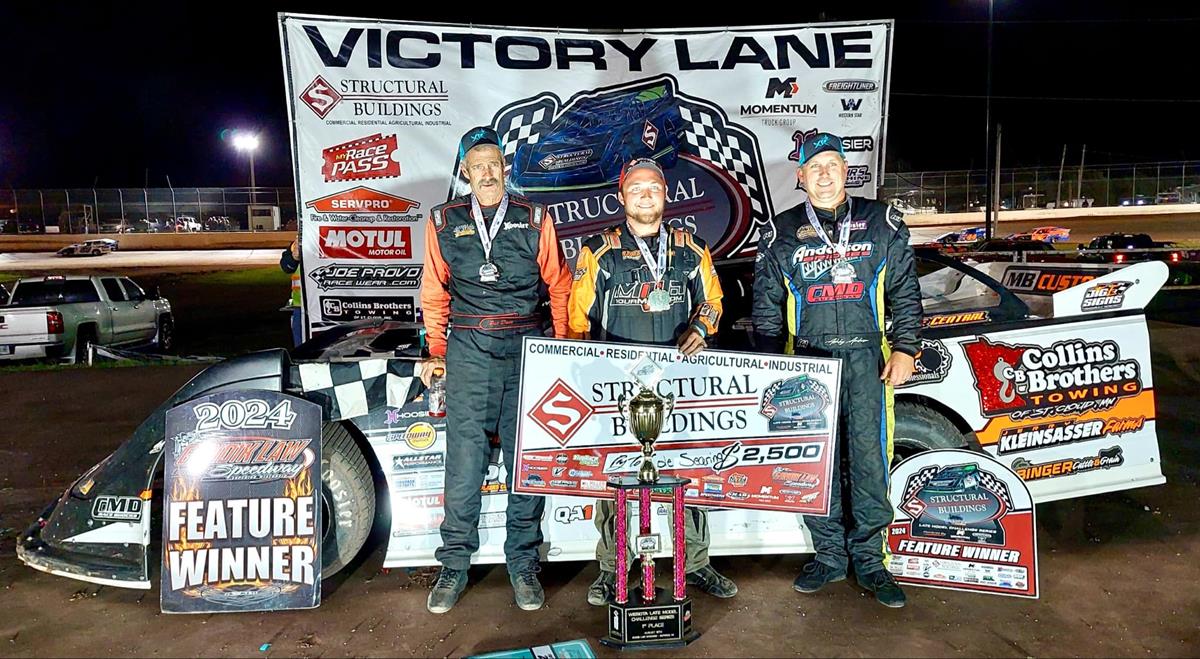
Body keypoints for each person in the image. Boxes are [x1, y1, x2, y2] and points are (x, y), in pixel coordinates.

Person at [752, 132, 923, 608]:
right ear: (801, 176)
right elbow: (766, 306)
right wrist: (771, 364)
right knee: (815, 463)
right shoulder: (781, 231)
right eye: (816, 167)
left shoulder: (881, 221)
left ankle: (871, 560)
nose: (825, 174)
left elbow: (906, 291)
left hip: (869, 361)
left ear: (846, 170)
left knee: (869, 460)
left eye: (833, 164)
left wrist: (906, 348)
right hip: (809, 362)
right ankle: (829, 556)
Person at [568, 157, 737, 606]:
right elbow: (576, 320)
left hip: (679, 385)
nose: (646, 195)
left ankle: (695, 563)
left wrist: (701, 328)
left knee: (688, 476)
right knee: (614, 482)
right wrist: (582, 371)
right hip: (615, 389)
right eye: (636, 188)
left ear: (666, 194)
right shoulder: (598, 251)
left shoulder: (691, 248)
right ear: (621, 196)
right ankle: (612, 569)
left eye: (654, 187)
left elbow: (713, 302)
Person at [420, 126, 572, 614]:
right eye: (477, 166)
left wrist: (563, 346)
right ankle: (453, 565)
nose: (486, 173)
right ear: (465, 172)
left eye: (493, 164)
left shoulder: (534, 217)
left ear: (505, 168)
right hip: (468, 348)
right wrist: (437, 351)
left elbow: (559, 285)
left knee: (526, 461)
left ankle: (523, 564)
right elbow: (434, 291)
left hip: (527, 347)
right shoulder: (443, 221)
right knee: (464, 463)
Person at [279, 239, 303, 346]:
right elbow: (286, 266)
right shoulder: (301, 241)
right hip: (302, 308)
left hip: (341, 304)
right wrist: (294, 258)